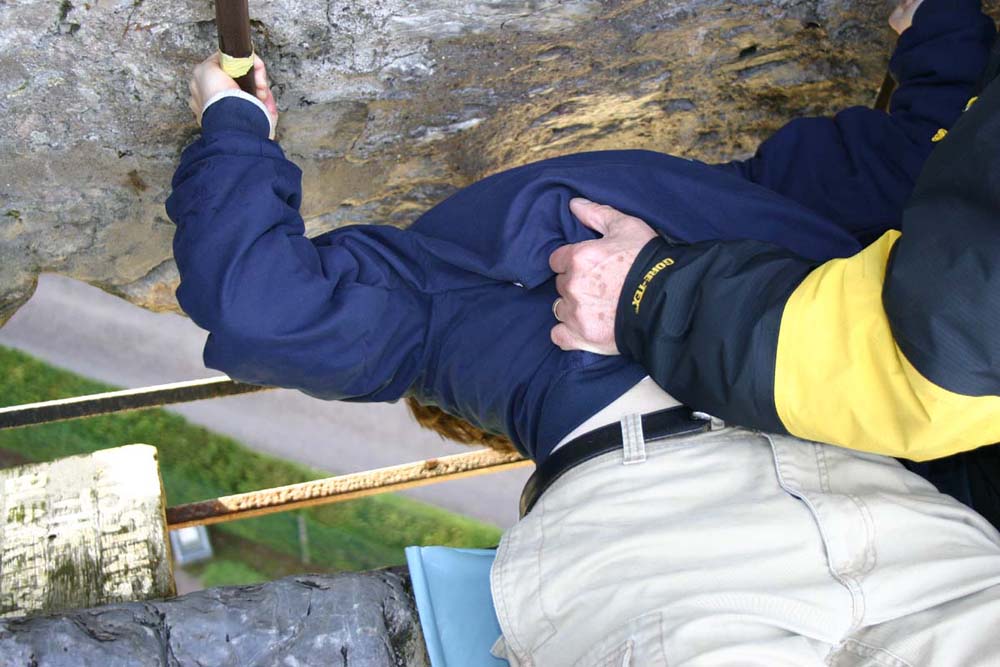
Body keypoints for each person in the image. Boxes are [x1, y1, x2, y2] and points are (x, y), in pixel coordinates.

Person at [168, 0, 1000, 662]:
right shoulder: (788, 211)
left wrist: (235, 130)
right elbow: (931, 168)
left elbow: (258, 307)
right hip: (921, 527)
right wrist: (941, 23)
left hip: (671, 549)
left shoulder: (445, 318)